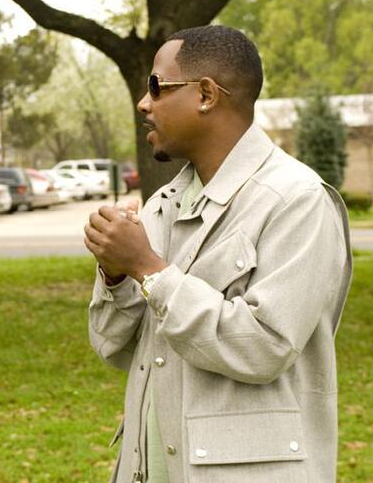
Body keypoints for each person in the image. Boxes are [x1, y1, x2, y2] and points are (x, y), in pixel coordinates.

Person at [84, 25, 351, 482]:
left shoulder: (296, 200)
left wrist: (147, 268)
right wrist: (115, 274)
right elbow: (115, 348)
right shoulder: (163, 203)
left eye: (156, 86)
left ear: (206, 94)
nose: (143, 104)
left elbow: (264, 348)